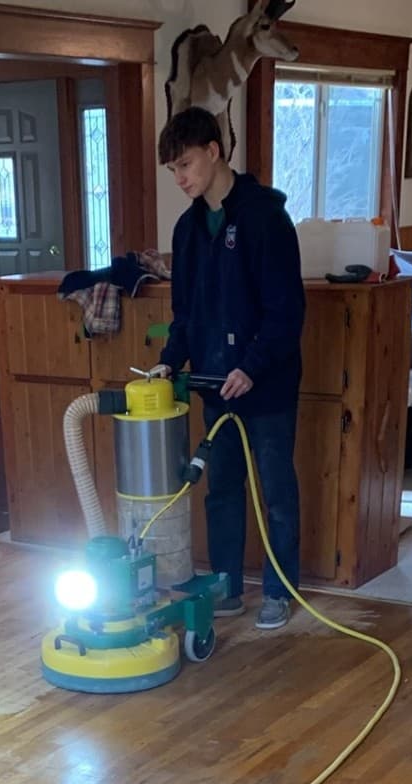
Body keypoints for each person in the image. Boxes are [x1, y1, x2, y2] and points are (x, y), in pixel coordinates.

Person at [150, 106, 305, 630]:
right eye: (173, 170)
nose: (181, 178)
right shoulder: (188, 232)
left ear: (215, 152)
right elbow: (186, 314)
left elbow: (286, 312)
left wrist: (253, 367)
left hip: (266, 384)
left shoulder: (265, 217)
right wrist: (168, 363)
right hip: (215, 383)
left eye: (187, 164)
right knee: (222, 489)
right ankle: (227, 588)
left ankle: (281, 592)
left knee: (275, 489)